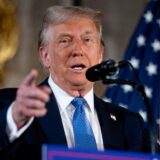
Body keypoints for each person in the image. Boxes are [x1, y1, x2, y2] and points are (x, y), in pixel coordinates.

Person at [0, 5, 150, 160]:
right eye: (65, 41)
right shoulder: (11, 106)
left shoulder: (131, 125)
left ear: (100, 55)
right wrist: (14, 119)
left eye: (87, 40)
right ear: (45, 56)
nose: (78, 50)